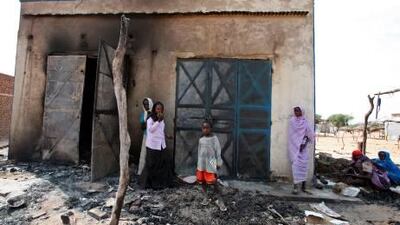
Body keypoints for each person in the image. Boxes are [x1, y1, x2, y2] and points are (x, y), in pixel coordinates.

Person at [140, 101, 174, 189]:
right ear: (155, 109)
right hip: (153, 145)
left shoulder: (161, 118)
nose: (159, 110)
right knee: (151, 165)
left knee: (163, 164)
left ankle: (163, 183)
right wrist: (158, 121)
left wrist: (167, 135)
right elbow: (150, 130)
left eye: (161, 109)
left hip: (161, 144)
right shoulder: (150, 118)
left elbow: (161, 130)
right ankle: (150, 184)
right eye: (158, 109)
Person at [196, 120, 227, 211]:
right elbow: (199, 152)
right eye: (203, 128)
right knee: (202, 182)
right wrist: (198, 164)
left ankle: (220, 200)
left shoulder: (214, 138)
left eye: (207, 128)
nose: (205, 130)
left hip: (211, 162)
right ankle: (206, 197)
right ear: (202, 129)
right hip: (202, 163)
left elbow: (218, 151)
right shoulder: (201, 140)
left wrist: (218, 163)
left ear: (211, 129)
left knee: (213, 181)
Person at [288, 106, 314, 194]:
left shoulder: (305, 122)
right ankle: (295, 187)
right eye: (295, 111)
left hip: (303, 148)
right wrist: (296, 144)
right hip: (294, 148)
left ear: (302, 112)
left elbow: (309, 135)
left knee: (303, 167)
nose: (296, 112)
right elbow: (292, 136)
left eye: (298, 111)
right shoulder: (292, 121)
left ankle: (304, 187)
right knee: (295, 166)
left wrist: (304, 143)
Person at [137, 97, 153, 175]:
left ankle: (151, 172)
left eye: (147, 104)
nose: (146, 106)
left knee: (152, 154)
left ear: (150, 104)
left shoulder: (154, 113)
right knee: (144, 153)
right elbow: (142, 127)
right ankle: (143, 171)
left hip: (154, 137)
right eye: (144, 104)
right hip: (146, 136)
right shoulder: (143, 114)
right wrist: (147, 118)